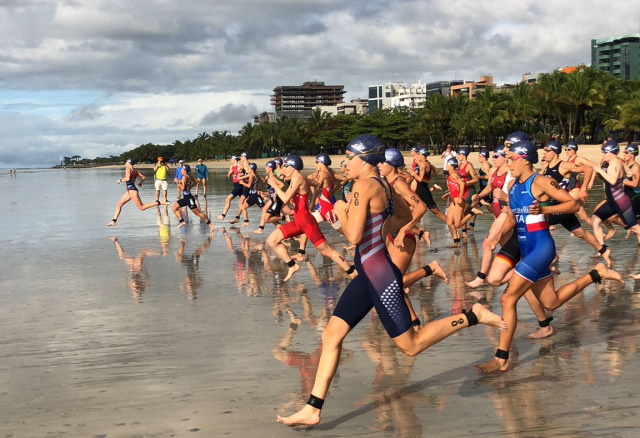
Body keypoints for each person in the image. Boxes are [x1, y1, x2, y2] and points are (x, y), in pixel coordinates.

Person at [277, 135, 507, 427]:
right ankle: (313, 408)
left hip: (378, 274)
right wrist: (386, 230)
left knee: (410, 345)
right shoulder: (384, 184)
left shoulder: (364, 185)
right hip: (370, 270)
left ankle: (473, 315)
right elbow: (404, 214)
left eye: (349, 156)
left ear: (364, 158)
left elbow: (353, 236)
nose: (345, 163)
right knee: (331, 334)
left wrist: (339, 213)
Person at [475, 140, 623, 374]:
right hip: (525, 247)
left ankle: (501, 357)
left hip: (541, 248)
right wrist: (496, 237)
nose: (508, 163)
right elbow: (514, 219)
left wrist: (545, 209)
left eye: (511, 158)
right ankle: (597, 274)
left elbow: (572, 205)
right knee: (551, 302)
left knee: (507, 300)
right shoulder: (512, 186)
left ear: (524, 158)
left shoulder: (541, 182)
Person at [265, 155, 355, 282]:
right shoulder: (300, 178)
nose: (284, 169)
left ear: (292, 167)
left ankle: (352, 272)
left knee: (328, 251)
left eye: (286, 166)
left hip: (307, 222)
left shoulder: (298, 178)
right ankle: (292, 265)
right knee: (272, 241)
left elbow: (285, 198)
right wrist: (313, 199)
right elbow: (317, 184)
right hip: (298, 222)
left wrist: (274, 185)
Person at [107, 158, 168, 226]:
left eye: (126, 163)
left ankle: (159, 202)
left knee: (142, 207)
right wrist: (140, 183)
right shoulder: (135, 170)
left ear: (129, 163)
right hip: (130, 191)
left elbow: (127, 178)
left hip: (132, 191)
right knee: (119, 204)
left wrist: (120, 180)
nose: (125, 164)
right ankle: (114, 221)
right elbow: (144, 177)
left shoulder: (128, 169)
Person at [171, 164, 214, 231]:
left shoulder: (184, 177)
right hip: (186, 198)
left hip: (189, 198)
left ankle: (210, 223)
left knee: (198, 213)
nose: (181, 171)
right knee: (174, 208)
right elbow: (197, 181)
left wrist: (177, 183)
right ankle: (182, 221)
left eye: (182, 169)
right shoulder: (189, 176)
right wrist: (190, 186)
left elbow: (183, 188)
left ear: (185, 170)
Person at [216, 156, 243, 220]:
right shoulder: (231, 166)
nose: (230, 160)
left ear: (234, 159)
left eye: (231, 159)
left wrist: (240, 174)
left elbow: (245, 173)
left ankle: (223, 216)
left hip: (239, 185)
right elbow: (228, 176)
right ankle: (237, 218)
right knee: (242, 202)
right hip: (235, 185)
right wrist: (230, 173)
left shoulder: (240, 166)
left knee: (228, 199)